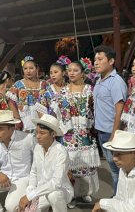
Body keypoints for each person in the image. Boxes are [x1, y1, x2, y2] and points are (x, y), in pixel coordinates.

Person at [52, 60, 100, 207]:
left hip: (86, 134)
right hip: (69, 136)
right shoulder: (63, 92)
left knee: (85, 167)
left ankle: (84, 192)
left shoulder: (90, 90)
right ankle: (70, 195)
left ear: (83, 73)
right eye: (69, 70)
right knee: (69, 168)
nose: (71, 73)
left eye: (75, 70)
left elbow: (96, 109)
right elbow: (56, 112)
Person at [18, 114, 74, 212]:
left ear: (53, 134)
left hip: (61, 190)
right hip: (40, 191)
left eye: (42, 133)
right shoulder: (37, 148)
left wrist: (32, 195)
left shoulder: (61, 152)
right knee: (21, 208)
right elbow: (34, 172)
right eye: (36, 132)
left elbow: (56, 183)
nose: (38, 136)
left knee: (54, 196)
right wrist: (30, 190)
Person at [93, 45, 127, 195]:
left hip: (110, 133)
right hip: (101, 131)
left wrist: (114, 134)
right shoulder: (99, 81)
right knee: (113, 168)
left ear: (111, 61)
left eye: (100, 59)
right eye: (95, 60)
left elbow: (120, 110)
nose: (96, 63)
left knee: (116, 170)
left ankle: (119, 198)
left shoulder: (116, 81)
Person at [7, 56, 47, 132]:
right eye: (25, 69)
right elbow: (11, 103)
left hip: (42, 122)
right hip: (24, 123)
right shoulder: (18, 84)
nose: (28, 71)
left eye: (31, 68)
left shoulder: (44, 84)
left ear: (37, 69)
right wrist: (17, 119)